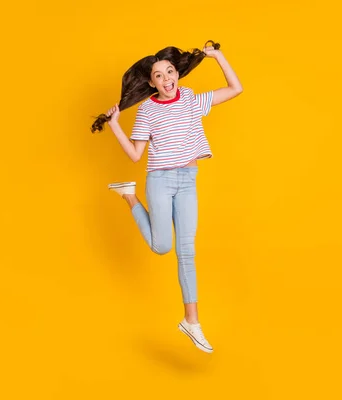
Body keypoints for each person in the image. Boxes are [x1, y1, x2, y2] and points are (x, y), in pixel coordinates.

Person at [93, 41, 242, 353]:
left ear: (178, 73)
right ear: (151, 83)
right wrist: (115, 125)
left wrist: (217, 56)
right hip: (159, 181)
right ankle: (130, 197)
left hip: (188, 180)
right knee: (162, 247)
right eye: (158, 76)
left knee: (186, 252)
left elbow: (235, 88)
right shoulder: (147, 110)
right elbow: (136, 155)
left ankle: (192, 321)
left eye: (170, 72)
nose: (166, 79)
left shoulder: (190, 99)